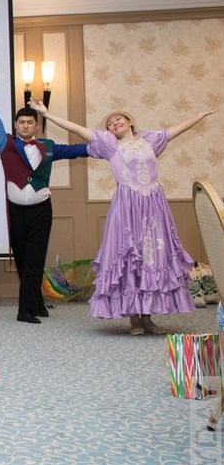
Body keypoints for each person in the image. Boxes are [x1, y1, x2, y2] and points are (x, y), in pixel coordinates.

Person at [28, 99, 217, 334]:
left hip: (154, 207)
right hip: (127, 208)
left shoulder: (150, 141)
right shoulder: (110, 145)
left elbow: (176, 130)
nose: (114, 123)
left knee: (151, 258)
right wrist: (48, 114)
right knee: (130, 258)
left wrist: (199, 115)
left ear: (129, 122)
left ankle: (148, 318)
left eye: (118, 119)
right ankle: (134, 320)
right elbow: (77, 129)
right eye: (110, 123)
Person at [0, 63, 88, 324]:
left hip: (41, 211)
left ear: (36, 125)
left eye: (30, 122)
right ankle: (37, 301)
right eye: (21, 122)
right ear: (16, 125)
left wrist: (108, 144)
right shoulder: (5, 143)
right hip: (16, 212)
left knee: (34, 259)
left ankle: (24, 311)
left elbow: (80, 150)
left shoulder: (48, 146)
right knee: (24, 261)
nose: (25, 125)